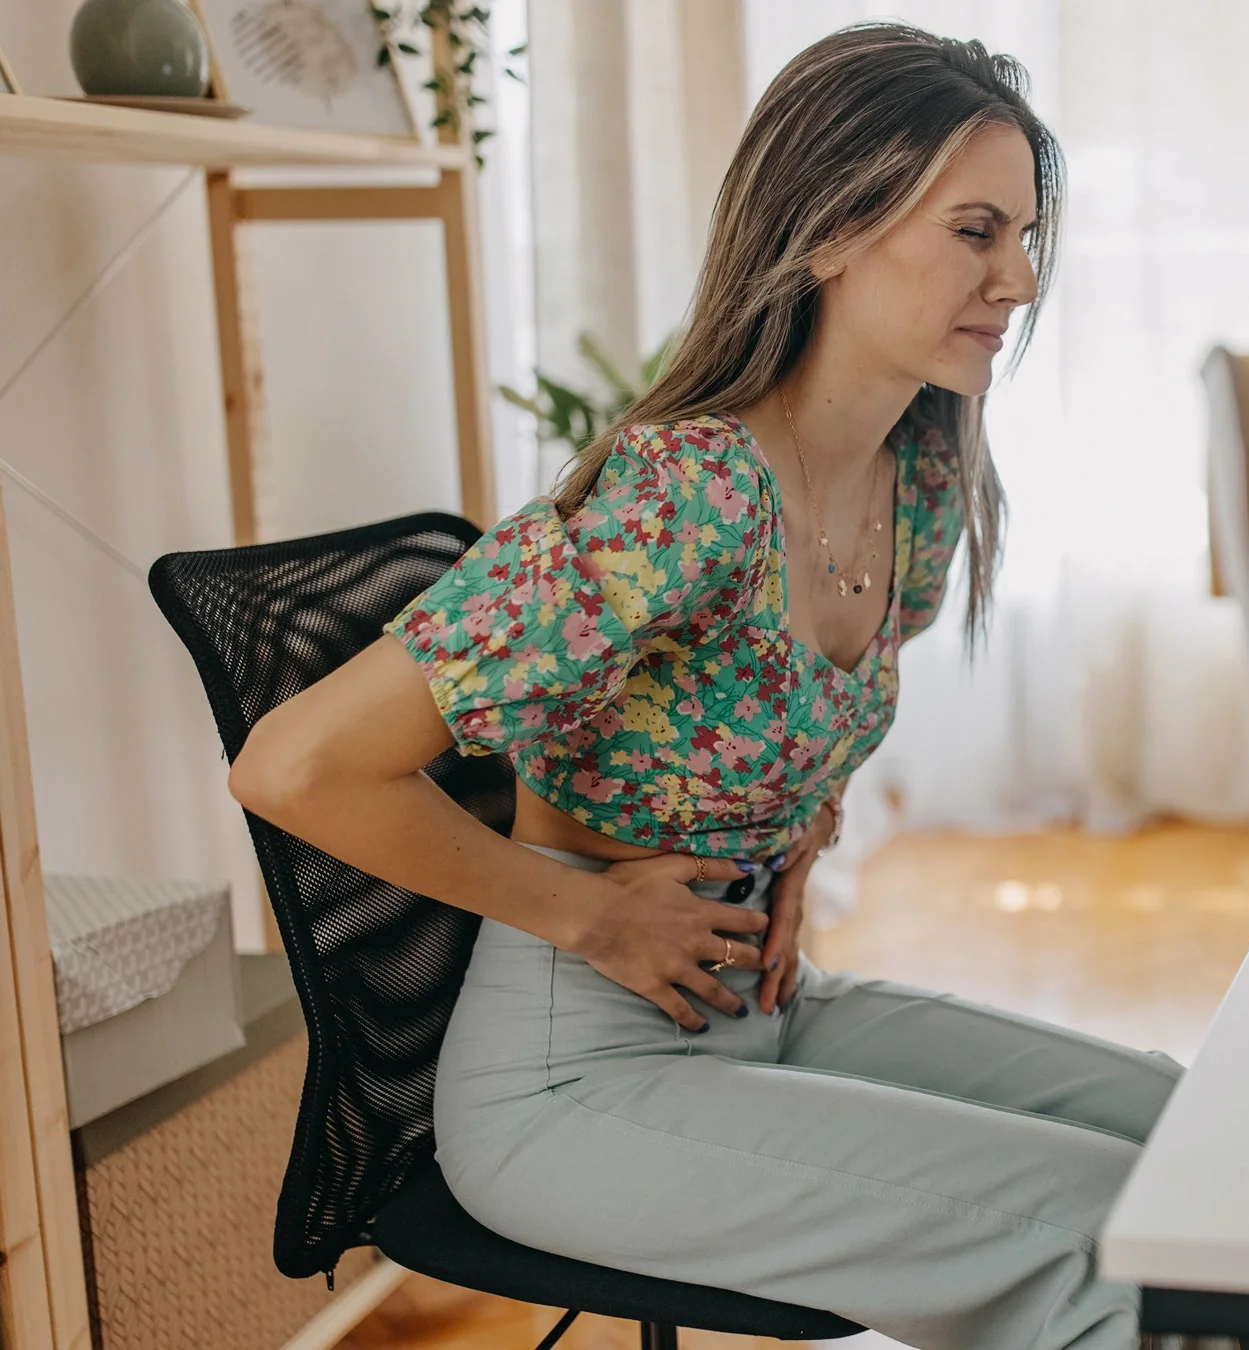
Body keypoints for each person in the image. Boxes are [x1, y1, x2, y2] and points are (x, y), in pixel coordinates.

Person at [230, 24, 1181, 1350]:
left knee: (1188, 1136)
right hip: (572, 1075)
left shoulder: (921, 473)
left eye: (1027, 235)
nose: (1019, 278)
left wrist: (796, 840)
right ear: (833, 227)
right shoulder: (685, 494)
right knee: (1104, 1238)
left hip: (755, 1006)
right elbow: (292, 763)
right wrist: (592, 916)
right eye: (977, 231)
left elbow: (793, 710)